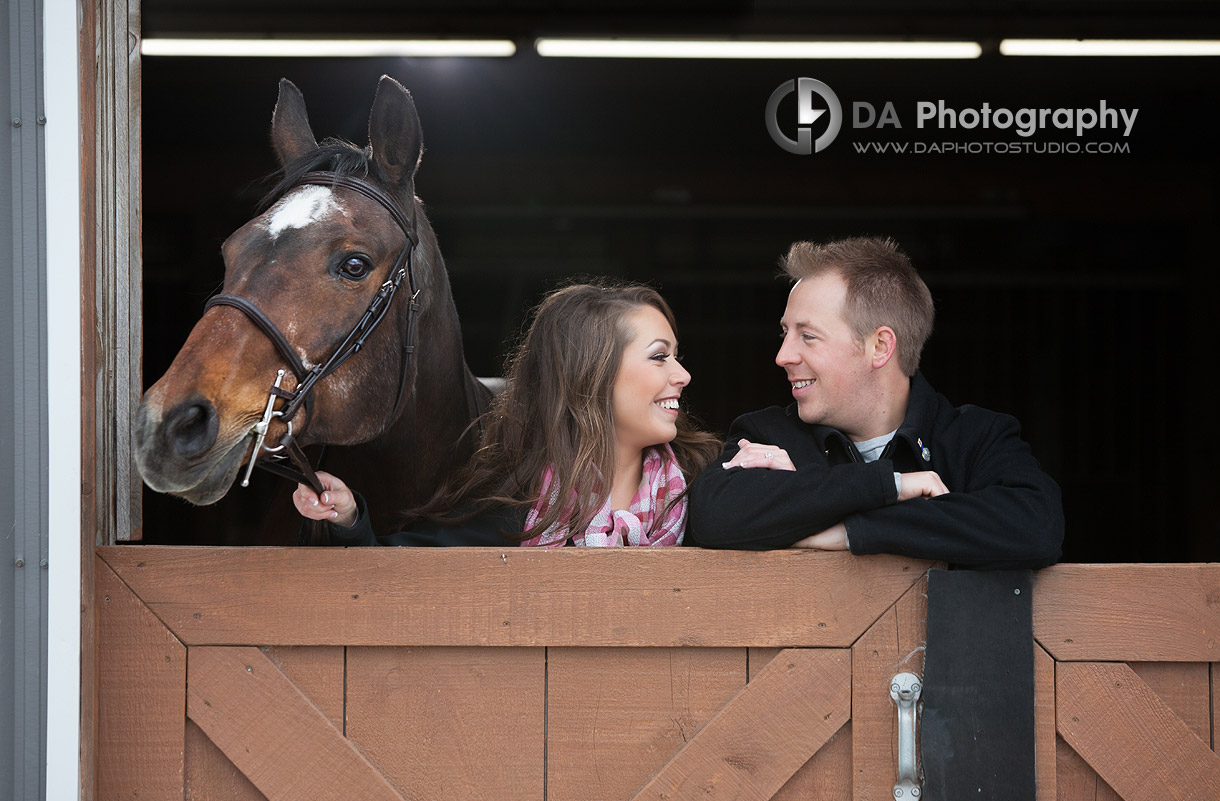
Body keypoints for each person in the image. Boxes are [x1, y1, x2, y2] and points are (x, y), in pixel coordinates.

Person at [687, 237, 1063, 569]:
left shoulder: (978, 436)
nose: (783, 355)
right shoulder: (766, 433)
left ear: (880, 346)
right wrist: (892, 486)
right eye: (786, 332)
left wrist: (852, 531)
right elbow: (713, 515)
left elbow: (1035, 526)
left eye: (808, 336)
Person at [293, 281, 722, 547]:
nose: (683, 375)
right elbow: (384, 574)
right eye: (659, 357)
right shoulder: (515, 512)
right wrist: (345, 516)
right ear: (591, 375)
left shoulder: (712, 490)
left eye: (676, 357)